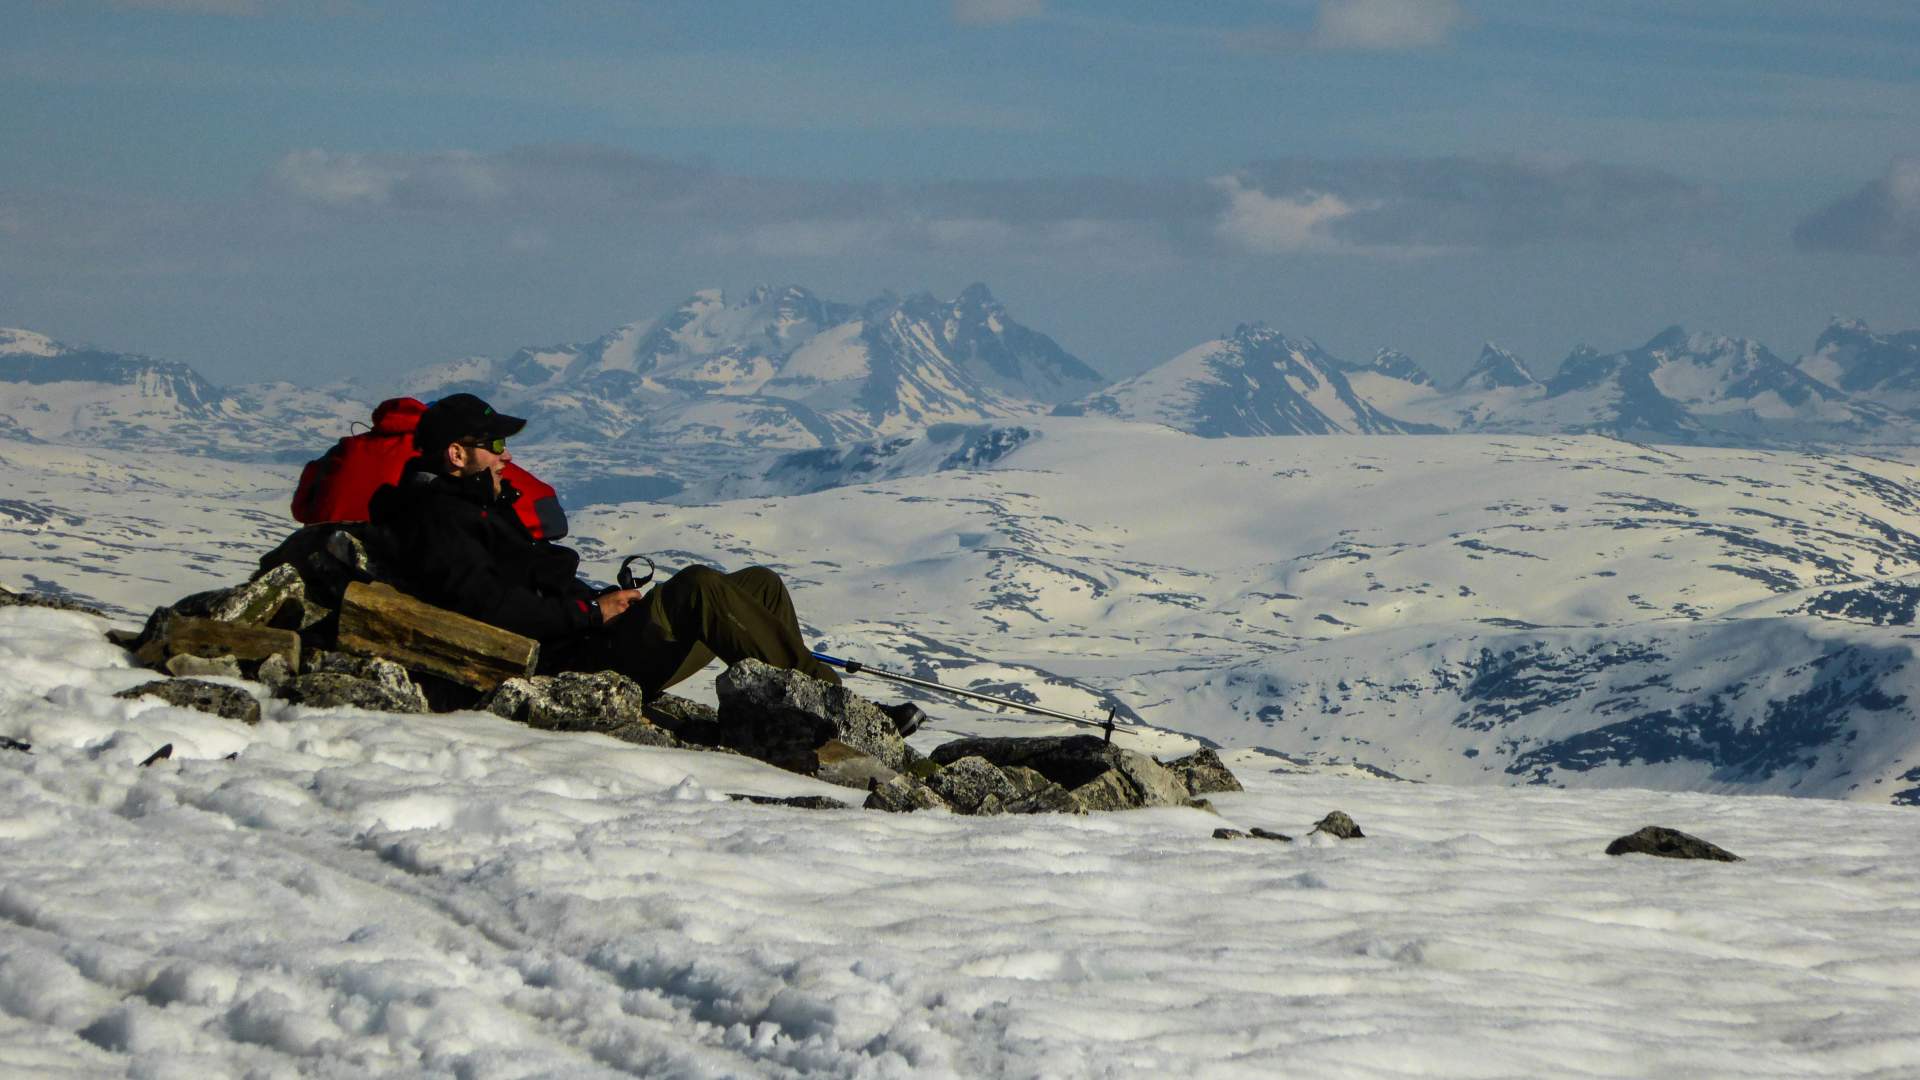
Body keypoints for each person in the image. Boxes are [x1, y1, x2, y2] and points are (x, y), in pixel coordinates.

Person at [367, 393, 848, 700]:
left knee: (759, 585)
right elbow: (491, 605)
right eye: (493, 444)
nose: (505, 455)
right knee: (701, 586)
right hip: (573, 660)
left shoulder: (475, 505)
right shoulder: (440, 518)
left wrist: (597, 605)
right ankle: (829, 703)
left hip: (588, 635)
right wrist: (592, 614)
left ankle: (792, 705)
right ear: (456, 454)